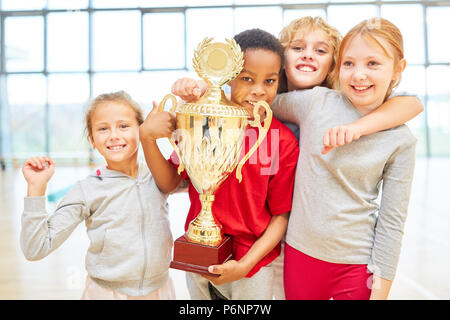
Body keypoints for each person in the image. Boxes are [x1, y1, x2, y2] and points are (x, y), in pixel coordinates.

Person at [140, 29, 299, 300]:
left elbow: (280, 216)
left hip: (252, 267)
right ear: (227, 76)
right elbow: (169, 182)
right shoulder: (204, 124)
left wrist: (246, 265)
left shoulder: (280, 140)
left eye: (270, 81)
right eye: (247, 79)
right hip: (199, 253)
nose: (259, 90)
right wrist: (146, 138)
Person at [272, 17, 416, 300]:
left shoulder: (402, 139)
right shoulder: (316, 102)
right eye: (349, 64)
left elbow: (392, 221)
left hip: (356, 263)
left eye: (373, 64)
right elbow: (261, 98)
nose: (358, 75)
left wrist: (382, 286)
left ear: (398, 69)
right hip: (300, 255)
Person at [20, 91, 175, 300]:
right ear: (92, 139)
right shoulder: (87, 190)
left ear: (141, 128)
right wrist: (36, 189)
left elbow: (199, 178)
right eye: (103, 129)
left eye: (123, 126)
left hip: (159, 290)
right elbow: (35, 248)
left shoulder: (158, 174)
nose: (114, 136)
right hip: (106, 293)